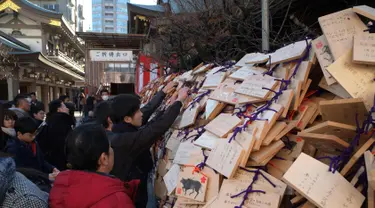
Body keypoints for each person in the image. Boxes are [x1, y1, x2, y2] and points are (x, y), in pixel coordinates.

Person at [109, 83, 187, 207]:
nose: (141, 113)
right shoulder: (125, 140)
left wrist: (163, 94)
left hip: (136, 184)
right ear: (127, 119)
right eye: (138, 111)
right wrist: (179, 102)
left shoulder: (123, 128)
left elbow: (147, 113)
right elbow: (155, 129)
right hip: (133, 193)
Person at [49, 124, 139, 208]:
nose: (112, 150)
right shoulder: (117, 201)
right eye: (110, 147)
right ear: (103, 159)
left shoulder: (58, 189)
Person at [37, 100, 74, 170]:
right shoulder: (62, 122)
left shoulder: (49, 121)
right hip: (61, 160)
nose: (67, 109)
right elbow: (64, 143)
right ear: (59, 109)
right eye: (64, 107)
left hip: (50, 161)